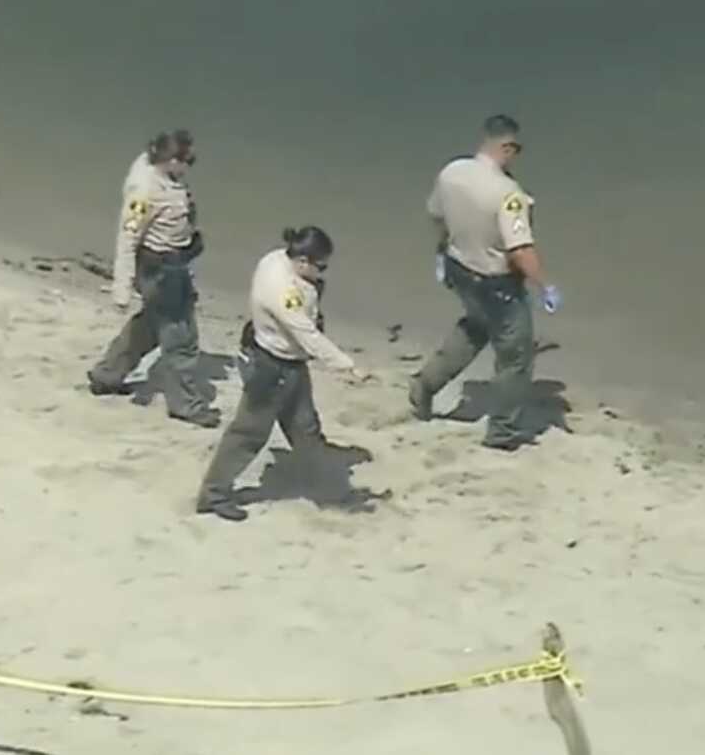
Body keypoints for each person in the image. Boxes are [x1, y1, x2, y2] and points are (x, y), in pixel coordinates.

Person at [196, 227, 371, 521]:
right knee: (248, 433)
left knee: (304, 426)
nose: (323, 273)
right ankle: (214, 494)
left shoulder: (274, 259)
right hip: (270, 367)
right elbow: (306, 334)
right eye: (321, 266)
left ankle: (322, 483)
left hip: (289, 364)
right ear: (303, 261)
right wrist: (347, 366)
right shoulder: (283, 291)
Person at [408, 114, 560, 451]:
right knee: (515, 356)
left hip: (459, 268)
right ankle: (502, 431)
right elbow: (520, 249)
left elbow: (436, 215)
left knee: (475, 329)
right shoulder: (508, 194)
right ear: (506, 147)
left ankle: (425, 385)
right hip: (497, 283)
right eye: (516, 149)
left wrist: (440, 252)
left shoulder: (452, 172)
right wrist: (544, 285)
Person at [87, 129, 219, 428]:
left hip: (172, 264)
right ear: (172, 160)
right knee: (181, 338)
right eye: (188, 161)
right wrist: (121, 289)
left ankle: (107, 374)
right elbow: (128, 237)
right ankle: (185, 404)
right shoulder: (145, 192)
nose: (190, 167)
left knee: (149, 326)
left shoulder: (158, 174)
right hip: (161, 270)